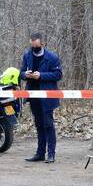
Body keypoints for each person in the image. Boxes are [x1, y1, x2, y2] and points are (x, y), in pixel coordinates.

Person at [20, 32, 62, 163]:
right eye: (32, 46)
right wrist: (26, 74)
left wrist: (41, 75)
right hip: (33, 94)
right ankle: (40, 153)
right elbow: (20, 73)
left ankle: (51, 154)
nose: (34, 49)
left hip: (48, 95)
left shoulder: (52, 57)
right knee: (38, 124)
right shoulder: (27, 55)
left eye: (36, 46)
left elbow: (58, 74)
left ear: (42, 44)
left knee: (48, 124)